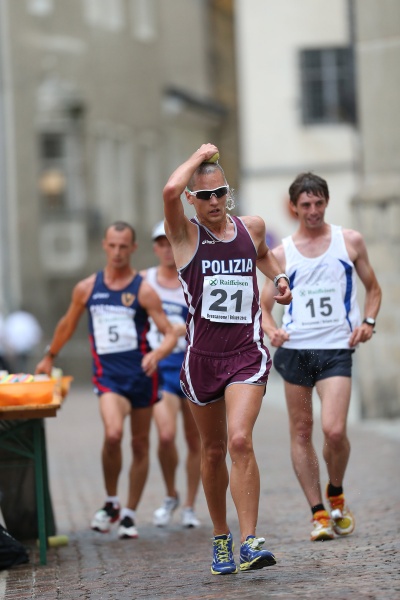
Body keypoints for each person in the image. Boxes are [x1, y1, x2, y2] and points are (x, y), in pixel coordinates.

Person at [162, 143, 292, 574]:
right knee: (213, 449)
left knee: (239, 440)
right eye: (205, 196)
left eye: (221, 192)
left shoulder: (250, 228)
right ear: (191, 200)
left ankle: (250, 541)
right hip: (202, 360)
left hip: (245, 355)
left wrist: (280, 277)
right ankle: (221, 536)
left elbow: (264, 257)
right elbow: (168, 190)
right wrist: (198, 156)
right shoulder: (184, 236)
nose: (215, 201)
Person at [35, 221, 177, 539]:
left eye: (123, 246)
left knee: (140, 444)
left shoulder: (143, 290)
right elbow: (67, 324)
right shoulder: (87, 288)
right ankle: (112, 500)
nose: (117, 252)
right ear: (104, 245)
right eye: (112, 246)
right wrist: (49, 356)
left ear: (133, 248)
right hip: (108, 378)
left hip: (142, 377)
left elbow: (169, 333)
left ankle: (129, 513)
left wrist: (157, 354)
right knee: (113, 434)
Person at [261, 172, 382, 542]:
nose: (312, 210)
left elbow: (373, 289)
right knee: (301, 431)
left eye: (318, 203)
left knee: (334, 430)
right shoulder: (282, 254)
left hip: (335, 349)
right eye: (305, 205)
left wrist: (368, 322)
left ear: (326, 202)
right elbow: (262, 307)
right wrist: (271, 330)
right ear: (294, 207)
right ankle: (318, 513)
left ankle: (336, 491)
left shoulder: (349, 241)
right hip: (296, 351)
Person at [140, 222, 201, 528]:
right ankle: (170, 494)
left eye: (171, 242)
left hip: (192, 364)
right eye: (161, 243)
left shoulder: (196, 277)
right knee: (165, 435)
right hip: (160, 367)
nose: (167, 249)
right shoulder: (144, 281)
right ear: (155, 248)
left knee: (195, 439)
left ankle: (189, 504)